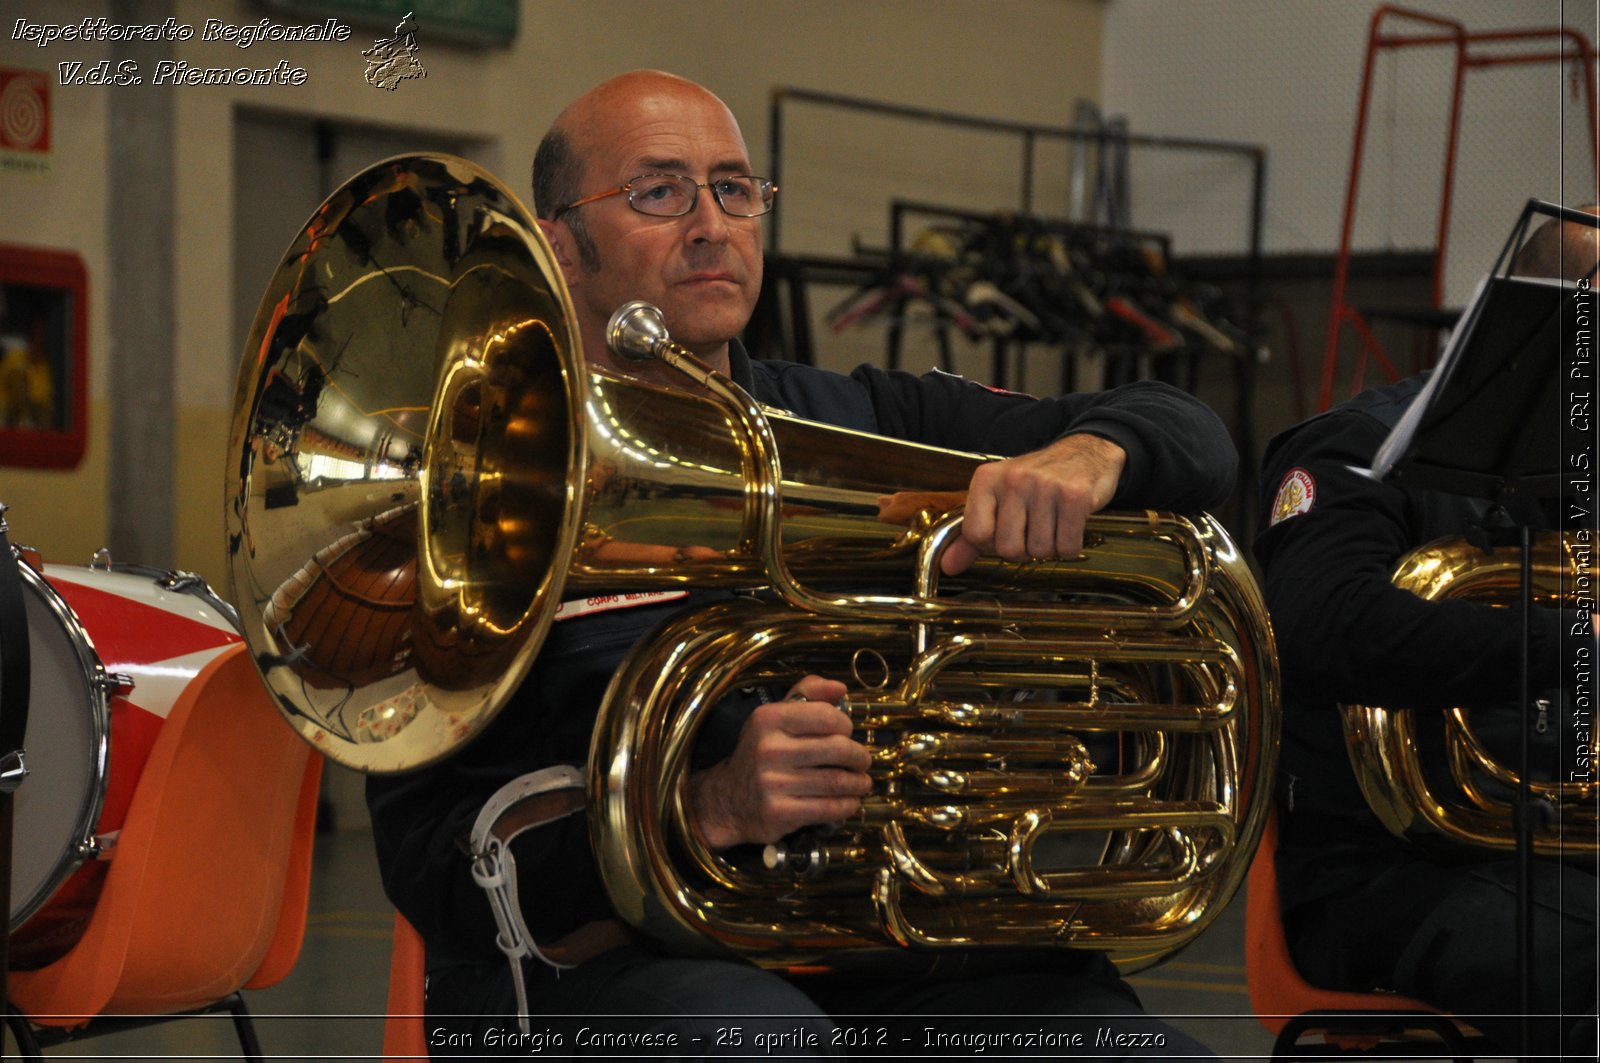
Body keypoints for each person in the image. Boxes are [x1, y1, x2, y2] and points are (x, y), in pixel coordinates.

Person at [368, 70, 1237, 1058]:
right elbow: (429, 860)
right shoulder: (468, 490)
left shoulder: (863, 414)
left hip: (912, 952)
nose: (712, 225)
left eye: (735, 189)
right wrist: (701, 809)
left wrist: (1089, 459)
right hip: (619, 970)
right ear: (559, 243)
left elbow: (1192, 432)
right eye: (659, 192)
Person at [1254, 206, 1598, 1058]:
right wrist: (1578, 644)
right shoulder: (1354, 450)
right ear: (1536, 327)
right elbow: (1324, 624)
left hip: (1560, 854)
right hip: (1387, 876)